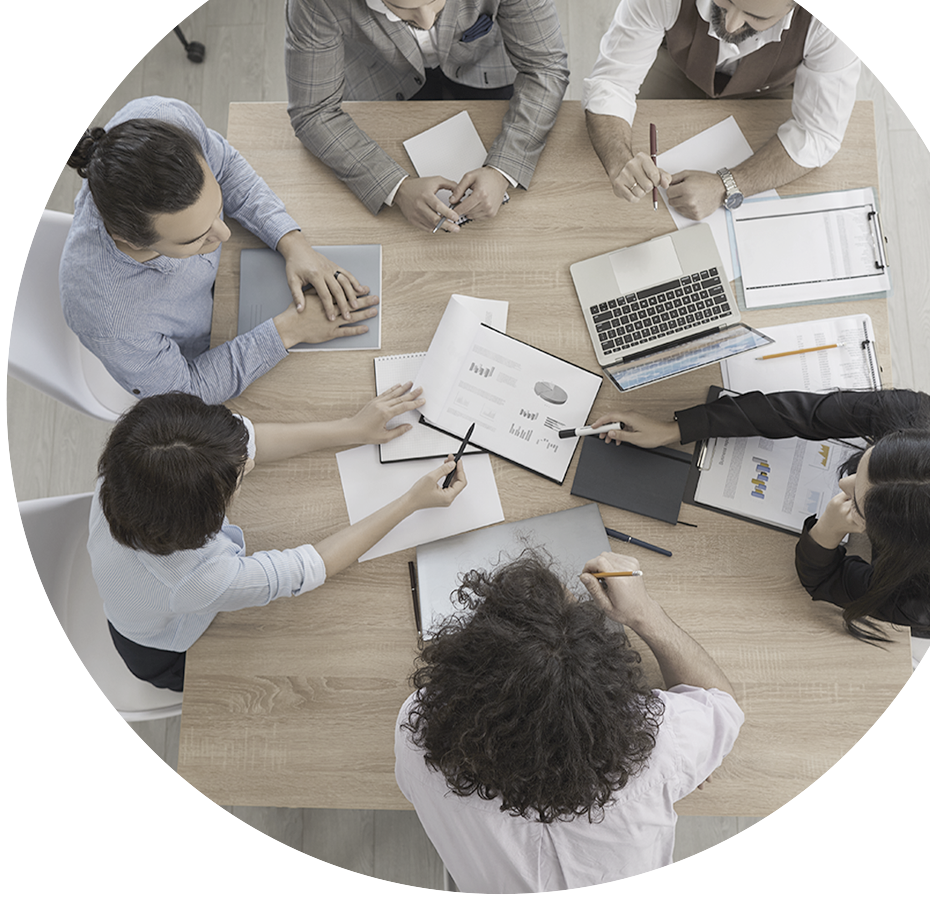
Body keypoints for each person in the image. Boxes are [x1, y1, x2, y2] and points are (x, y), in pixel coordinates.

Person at [394, 550, 743, 892]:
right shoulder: (662, 743)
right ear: (608, 674)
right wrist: (643, 613)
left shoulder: (418, 727)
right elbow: (723, 707)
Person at [90, 384, 466, 692]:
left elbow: (247, 442)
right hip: (160, 651)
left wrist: (353, 428)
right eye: (237, 476)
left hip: (130, 593)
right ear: (199, 520)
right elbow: (309, 567)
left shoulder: (129, 467)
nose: (248, 463)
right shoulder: (199, 579)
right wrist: (410, 502)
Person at [592, 390, 930, 640]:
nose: (843, 485)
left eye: (858, 500)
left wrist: (829, 531)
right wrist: (677, 428)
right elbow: (807, 413)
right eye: (862, 467)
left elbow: (823, 580)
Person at [61, 95, 380, 405]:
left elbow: (225, 166)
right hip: (207, 346)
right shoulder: (109, 320)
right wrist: (288, 331)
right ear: (132, 242)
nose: (224, 234)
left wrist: (291, 240)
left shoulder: (164, 119)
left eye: (216, 209)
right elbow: (186, 391)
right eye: (196, 238)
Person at [284, 0, 569, 234]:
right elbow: (313, 110)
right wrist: (396, 187)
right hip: (385, 82)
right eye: (401, 8)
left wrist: (503, 169)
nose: (427, 22)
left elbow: (545, 65)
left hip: (485, 68)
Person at [582, 0, 860, 220]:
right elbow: (613, 82)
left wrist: (726, 185)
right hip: (678, 62)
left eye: (757, 16)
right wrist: (619, 163)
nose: (731, 23)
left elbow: (818, 133)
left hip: (772, 86)